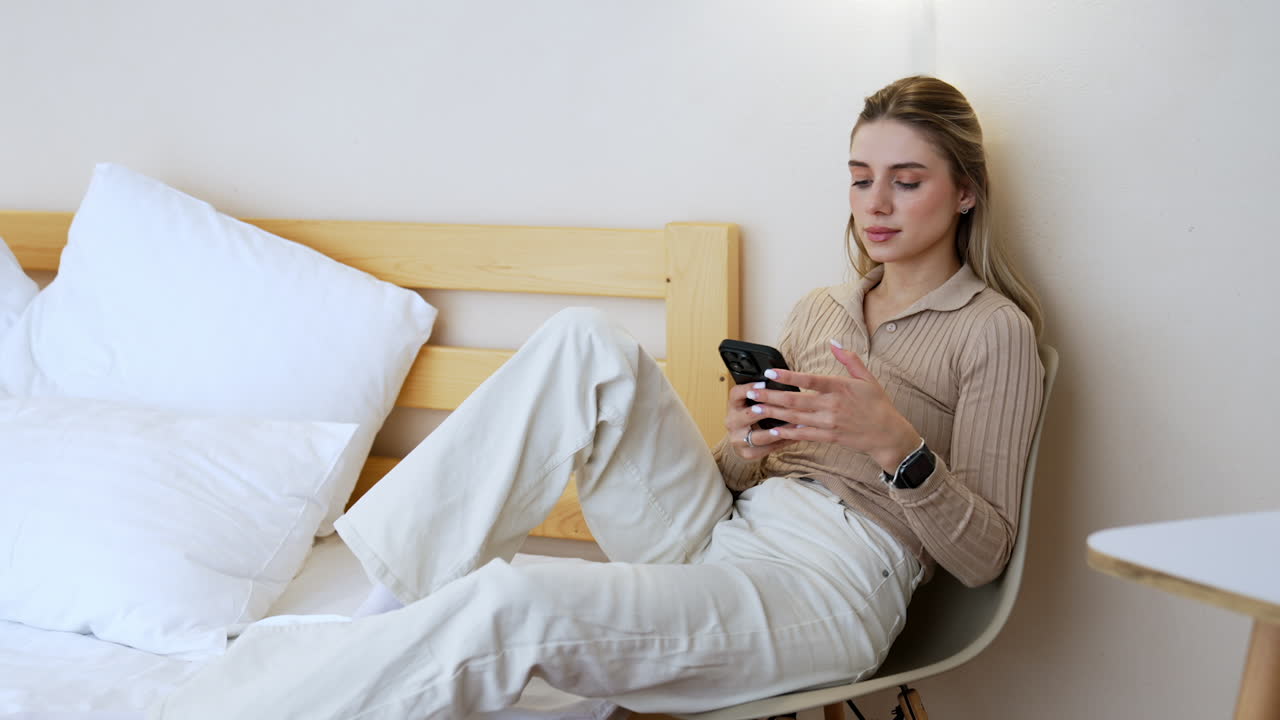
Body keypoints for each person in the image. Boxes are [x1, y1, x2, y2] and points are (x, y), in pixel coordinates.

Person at [150, 75, 1045, 720]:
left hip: (833, 581)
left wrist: (895, 445)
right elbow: (735, 476)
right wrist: (746, 442)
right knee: (585, 339)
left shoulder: (991, 329)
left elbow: (985, 556)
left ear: (964, 191)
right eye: (860, 177)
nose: (875, 203)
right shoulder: (822, 307)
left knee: (516, 603)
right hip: (735, 529)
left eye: (907, 179)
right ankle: (383, 606)